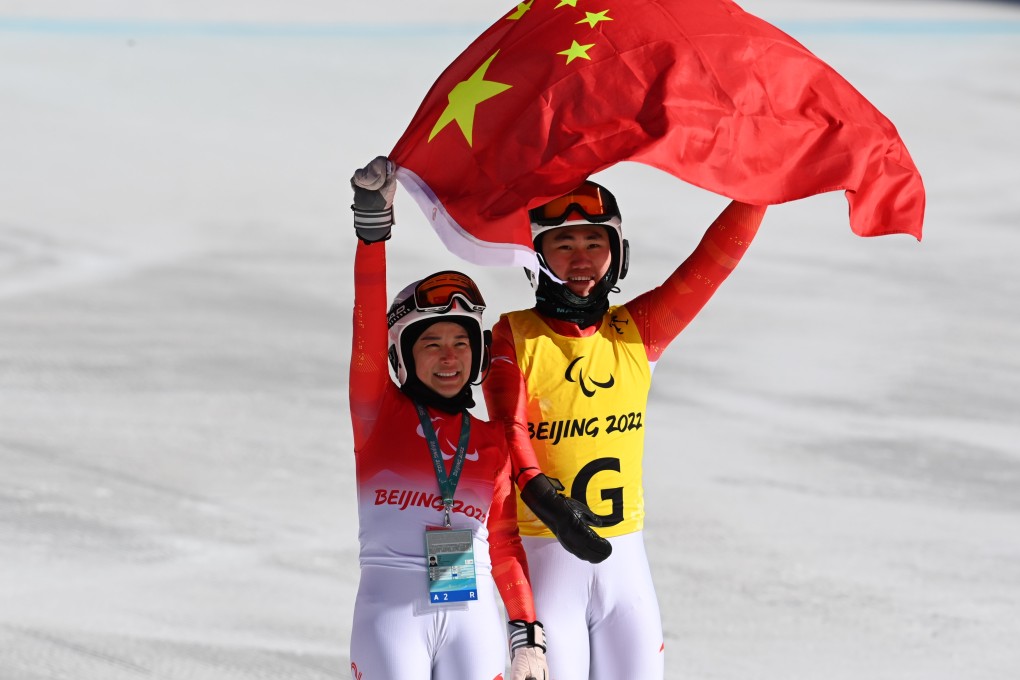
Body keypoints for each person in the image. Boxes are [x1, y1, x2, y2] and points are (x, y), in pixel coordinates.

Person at [482, 179, 767, 680]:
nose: (581, 260)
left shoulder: (641, 329)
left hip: (626, 573)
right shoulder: (511, 335)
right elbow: (508, 428)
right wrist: (547, 500)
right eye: (563, 244)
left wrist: (765, 183)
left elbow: (715, 258)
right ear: (536, 254)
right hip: (546, 564)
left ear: (617, 253)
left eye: (595, 243)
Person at [347, 157, 548, 680]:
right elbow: (367, 321)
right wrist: (372, 233)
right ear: (402, 357)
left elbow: (503, 544)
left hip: (473, 617)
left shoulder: (492, 441)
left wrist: (528, 636)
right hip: (392, 615)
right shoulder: (376, 414)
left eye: (461, 342)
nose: (449, 357)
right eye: (431, 344)